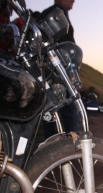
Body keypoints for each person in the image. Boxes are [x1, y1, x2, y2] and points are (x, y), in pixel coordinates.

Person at [38, 0, 78, 138]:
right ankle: (71, 146)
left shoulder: (56, 12)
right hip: (56, 68)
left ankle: (54, 144)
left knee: (51, 109)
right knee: (69, 110)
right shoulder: (56, 13)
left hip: (54, 68)